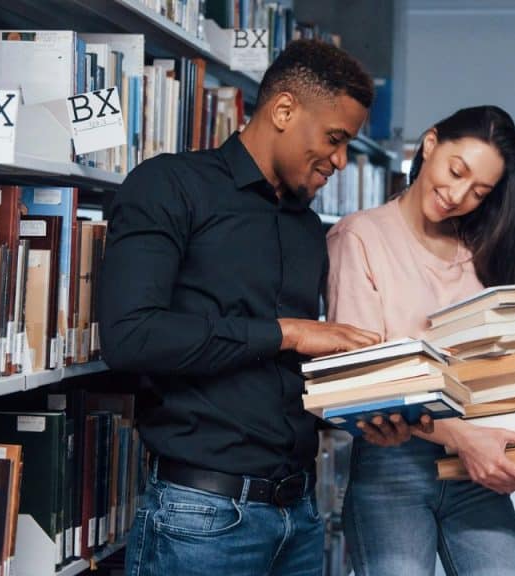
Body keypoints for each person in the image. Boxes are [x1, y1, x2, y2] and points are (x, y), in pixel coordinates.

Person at [99, 40, 416, 576]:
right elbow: (131, 336)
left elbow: (286, 375)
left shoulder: (306, 227)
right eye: (335, 140)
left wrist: (364, 412)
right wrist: (286, 333)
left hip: (299, 514)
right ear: (284, 110)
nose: (340, 161)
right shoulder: (169, 185)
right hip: (202, 516)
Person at [327, 105, 515, 575]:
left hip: (473, 467)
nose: (458, 195)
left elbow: (507, 366)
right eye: (456, 170)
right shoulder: (360, 236)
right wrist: (464, 438)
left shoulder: (482, 250)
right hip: (393, 465)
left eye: (479, 190)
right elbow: (362, 378)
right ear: (429, 144)